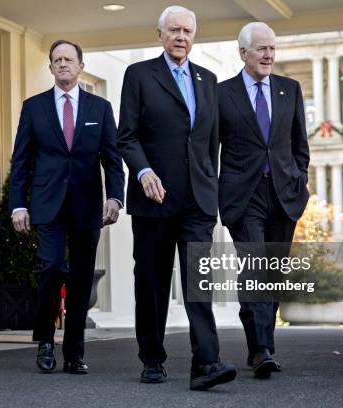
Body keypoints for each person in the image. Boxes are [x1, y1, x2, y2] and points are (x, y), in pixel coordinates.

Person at [117, 5, 237, 391]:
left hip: (197, 202)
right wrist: (143, 170)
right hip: (153, 198)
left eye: (186, 30)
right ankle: (152, 358)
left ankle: (206, 363)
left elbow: (210, 143)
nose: (180, 36)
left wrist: (211, 187)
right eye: (173, 30)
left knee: (200, 282)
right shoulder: (138, 75)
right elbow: (127, 136)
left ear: (194, 36)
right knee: (150, 282)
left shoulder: (208, 79)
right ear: (160, 35)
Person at [9, 39, 124, 375]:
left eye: (68, 59)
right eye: (56, 60)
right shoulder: (34, 107)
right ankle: (46, 340)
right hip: (47, 206)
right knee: (52, 268)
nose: (62, 64)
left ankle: (74, 352)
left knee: (81, 279)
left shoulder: (100, 109)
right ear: (50, 68)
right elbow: (21, 161)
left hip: (87, 207)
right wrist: (18, 205)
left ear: (80, 66)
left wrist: (115, 198)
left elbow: (112, 160)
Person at [217, 22, 310, 378]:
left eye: (272, 48)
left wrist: (299, 179)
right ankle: (261, 349)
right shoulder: (223, 93)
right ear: (243, 53)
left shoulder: (290, 89)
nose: (269, 55)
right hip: (244, 196)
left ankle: (263, 344)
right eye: (261, 49)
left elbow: (300, 145)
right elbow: (212, 148)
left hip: (284, 195)